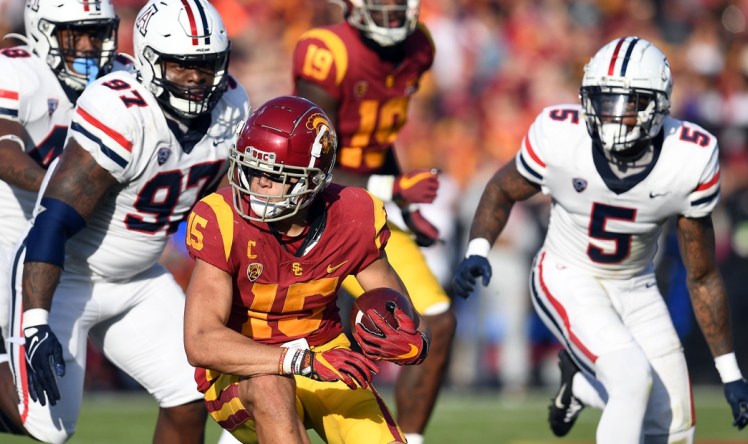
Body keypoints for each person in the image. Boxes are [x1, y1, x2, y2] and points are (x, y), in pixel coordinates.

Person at [451, 36, 748, 443]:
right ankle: (590, 384)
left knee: (675, 428)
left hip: (636, 286)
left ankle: (580, 387)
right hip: (565, 273)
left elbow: (701, 275)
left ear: (659, 104)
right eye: (602, 100)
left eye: (627, 104)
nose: (611, 116)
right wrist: (478, 248)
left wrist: (730, 372)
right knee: (630, 378)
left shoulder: (690, 158)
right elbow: (502, 188)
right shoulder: (561, 134)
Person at [4, 0, 249, 442]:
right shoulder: (121, 107)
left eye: (207, 64)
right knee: (46, 428)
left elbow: (219, 205)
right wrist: (36, 319)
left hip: (140, 278)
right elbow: (52, 221)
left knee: (193, 390)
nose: (196, 78)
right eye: (181, 66)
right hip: (70, 277)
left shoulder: (232, 104)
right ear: (152, 62)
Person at [183, 95, 431, 444]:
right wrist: (302, 361)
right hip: (243, 370)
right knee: (272, 386)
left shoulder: (354, 216)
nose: (258, 185)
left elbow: (410, 320)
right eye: (252, 170)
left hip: (327, 355)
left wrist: (412, 343)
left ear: (314, 180)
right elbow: (201, 341)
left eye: (274, 175)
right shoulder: (221, 217)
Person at [292, 2, 456, 442]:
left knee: (434, 320)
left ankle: (411, 438)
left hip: (366, 205)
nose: (392, 15)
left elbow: (376, 142)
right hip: (313, 211)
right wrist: (394, 188)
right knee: (297, 336)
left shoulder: (419, 47)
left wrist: (399, 204)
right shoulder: (328, 53)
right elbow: (309, 155)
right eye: (380, 7)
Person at [0, 0, 132, 434]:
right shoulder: (16, 70)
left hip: (70, 243)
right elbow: (3, 149)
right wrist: (64, 193)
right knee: (30, 412)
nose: (91, 45)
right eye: (77, 33)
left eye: (98, 32)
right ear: (42, 30)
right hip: (10, 230)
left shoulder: (123, 79)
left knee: (49, 420)